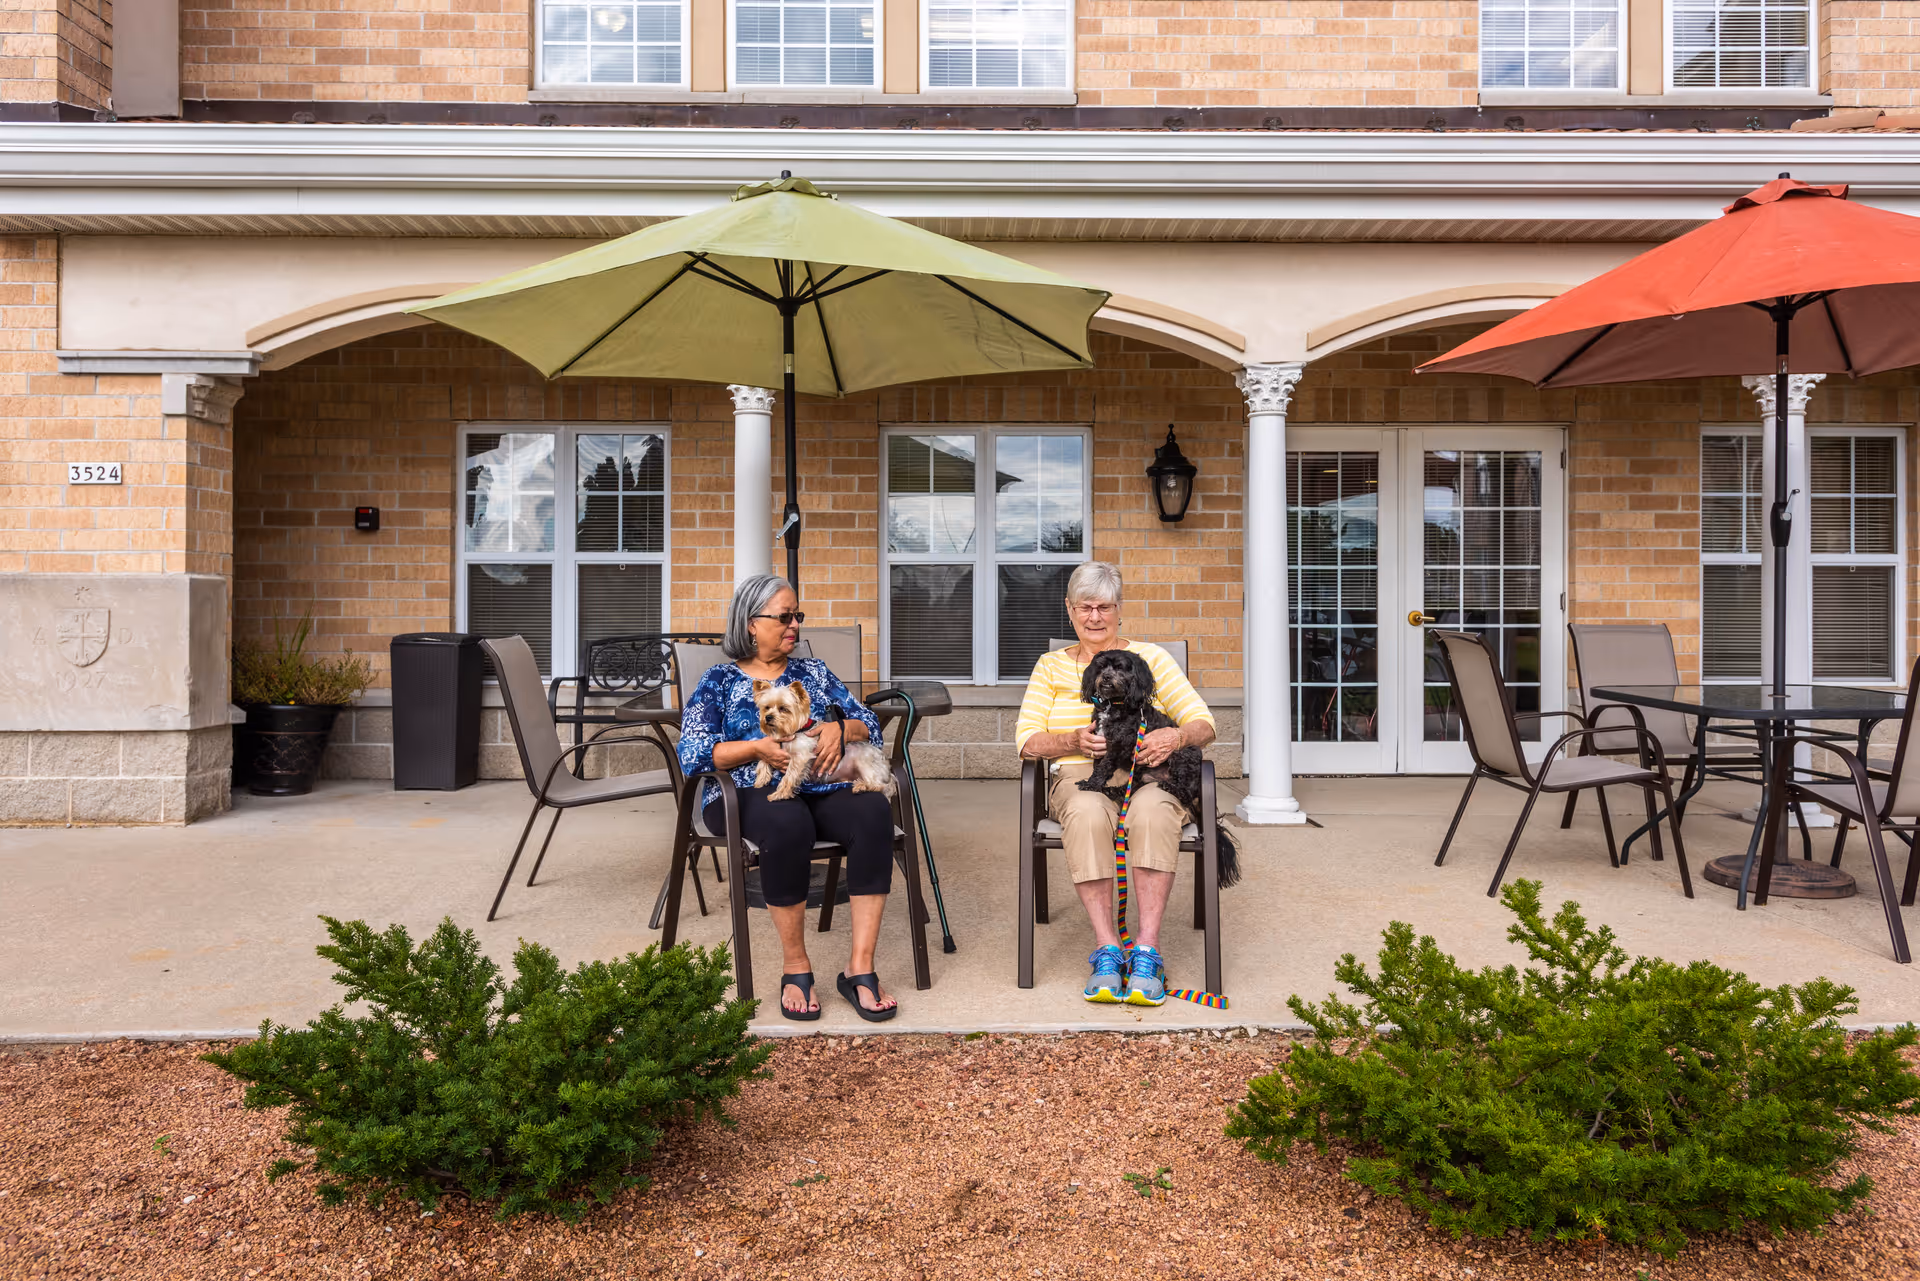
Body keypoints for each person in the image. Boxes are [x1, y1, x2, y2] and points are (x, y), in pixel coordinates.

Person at [677, 574, 899, 1022]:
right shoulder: (718, 680)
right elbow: (694, 753)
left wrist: (841, 727)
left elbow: (868, 724)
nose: (795, 624)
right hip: (742, 790)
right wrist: (756, 748)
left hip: (820, 782)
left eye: (797, 615)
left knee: (873, 813)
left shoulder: (812, 673)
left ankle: (859, 967)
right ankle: (796, 965)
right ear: (751, 623)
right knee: (787, 823)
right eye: (784, 616)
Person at [1014, 561, 1216, 1006]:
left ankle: (1146, 950)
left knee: (1153, 811)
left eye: (1104, 607)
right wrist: (1071, 739)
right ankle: (1108, 949)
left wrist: (1175, 736)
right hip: (1080, 773)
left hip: (1148, 770)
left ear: (1118, 609)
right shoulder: (1049, 667)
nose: (1094, 617)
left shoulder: (1151, 660)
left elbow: (1204, 723)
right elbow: (1026, 741)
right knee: (1087, 813)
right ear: (1069, 611)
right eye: (1085, 607)